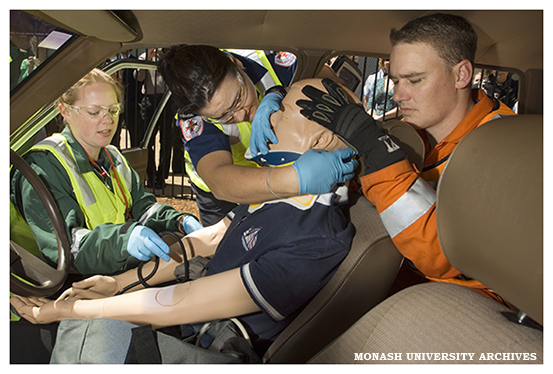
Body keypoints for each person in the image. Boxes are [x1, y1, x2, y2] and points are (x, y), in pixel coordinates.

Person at [10, 78, 356, 364]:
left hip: (210, 344)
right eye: (94, 111)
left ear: (321, 139)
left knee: (76, 336)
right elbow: (212, 238)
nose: (266, 113)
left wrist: (69, 310)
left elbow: (186, 299)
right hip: (187, 311)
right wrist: (117, 284)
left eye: (280, 110)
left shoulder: (315, 237)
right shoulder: (279, 194)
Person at [294, 13, 516, 302]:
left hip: (468, 304)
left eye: (414, 80)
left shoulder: (504, 148)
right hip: (399, 283)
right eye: (395, 80)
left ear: (462, 75)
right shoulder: (417, 132)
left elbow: (444, 257)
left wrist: (378, 153)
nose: (398, 95)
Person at [10, 68, 203, 275]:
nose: (108, 120)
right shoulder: (43, 166)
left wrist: (179, 220)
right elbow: (67, 249)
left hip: (115, 269)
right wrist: (124, 240)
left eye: (112, 110)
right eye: (94, 112)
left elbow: (143, 208)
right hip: (64, 284)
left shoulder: (113, 156)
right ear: (65, 111)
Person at [157, 45, 357, 226]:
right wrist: (297, 178)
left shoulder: (272, 60)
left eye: (238, 99)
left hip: (281, 170)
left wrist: (280, 92)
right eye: (223, 116)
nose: (240, 114)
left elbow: (337, 88)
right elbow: (219, 181)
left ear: (236, 64)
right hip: (220, 196)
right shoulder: (194, 118)